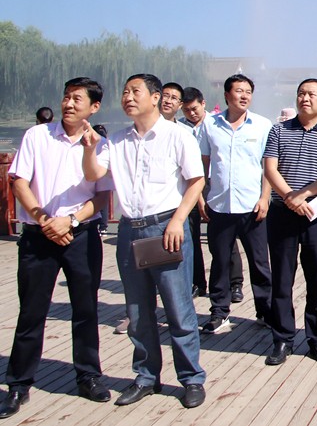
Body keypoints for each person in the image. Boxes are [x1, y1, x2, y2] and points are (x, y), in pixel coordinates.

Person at [80, 74, 207, 409]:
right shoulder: (116, 140)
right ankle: (146, 377)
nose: (128, 97)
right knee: (138, 312)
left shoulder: (177, 136)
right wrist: (90, 148)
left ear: (155, 97)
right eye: (124, 92)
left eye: (135, 91)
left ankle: (191, 378)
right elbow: (93, 174)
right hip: (129, 231)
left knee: (178, 309)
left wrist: (178, 220)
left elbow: (196, 181)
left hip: (166, 228)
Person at [0, 78, 112, 419]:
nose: (69, 103)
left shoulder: (100, 145)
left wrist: (70, 222)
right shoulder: (38, 135)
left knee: (85, 309)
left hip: (81, 236)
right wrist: (44, 218)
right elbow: (19, 181)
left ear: (94, 107)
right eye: (66, 97)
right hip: (39, 235)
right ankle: (19, 383)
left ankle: (88, 376)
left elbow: (102, 197)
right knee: (31, 311)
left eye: (77, 98)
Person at [262, 78, 317, 366]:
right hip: (282, 211)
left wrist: (303, 196)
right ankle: (282, 338)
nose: (304, 98)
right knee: (282, 277)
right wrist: (289, 197)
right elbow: (270, 168)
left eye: (311, 94)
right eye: (301, 93)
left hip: (316, 213)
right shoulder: (279, 130)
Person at [199, 75, 273, 334]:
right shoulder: (210, 125)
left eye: (248, 91)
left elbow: (269, 167)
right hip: (219, 207)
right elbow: (203, 164)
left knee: (260, 263)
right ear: (226, 95)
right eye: (239, 91)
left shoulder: (262, 125)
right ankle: (219, 312)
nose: (244, 96)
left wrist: (265, 198)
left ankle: (265, 311)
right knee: (220, 262)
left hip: (252, 207)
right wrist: (201, 198)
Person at [180, 87, 246, 301]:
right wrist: (198, 196)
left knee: (226, 236)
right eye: (187, 110)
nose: (192, 113)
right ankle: (197, 282)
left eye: (194, 108)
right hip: (191, 185)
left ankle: (235, 283)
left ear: (203, 103)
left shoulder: (217, 124)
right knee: (191, 235)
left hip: (215, 184)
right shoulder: (179, 129)